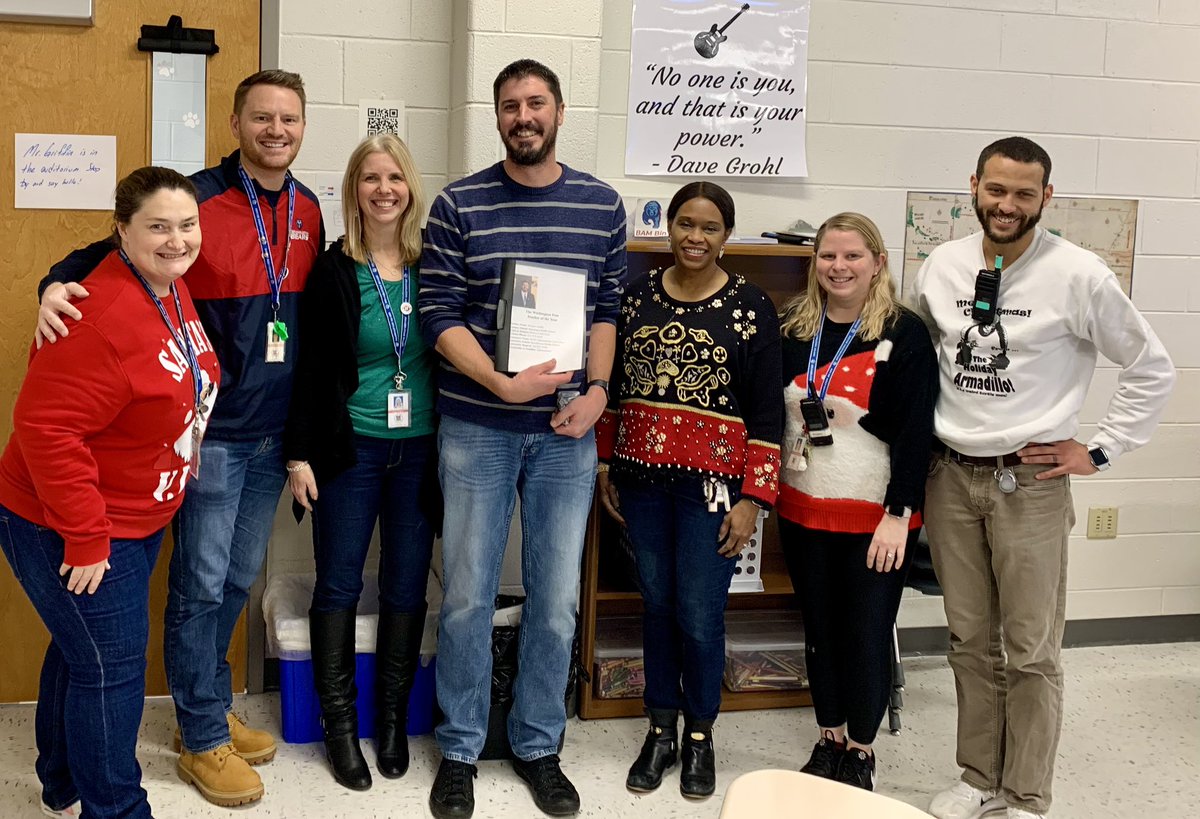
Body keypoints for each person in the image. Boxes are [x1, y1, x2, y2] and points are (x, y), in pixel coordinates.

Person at [35, 70, 323, 807]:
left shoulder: (309, 207)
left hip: (270, 436)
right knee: (198, 586)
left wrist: (299, 442)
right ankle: (200, 736)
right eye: (262, 117)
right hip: (212, 437)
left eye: (288, 118)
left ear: (301, 124)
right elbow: (102, 257)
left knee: (232, 581)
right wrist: (53, 285)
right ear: (235, 123)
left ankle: (204, 702)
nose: (276, 130)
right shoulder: (192, 202)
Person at [913, 137, 1175, 819]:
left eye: (1024, 194)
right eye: (996, 190)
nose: (1008, 205)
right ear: (974, 186)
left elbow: (1152, 367)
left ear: (1046, 197)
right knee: (970, 641)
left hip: (1027, 485)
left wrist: (1100, 450)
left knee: (1030, 650)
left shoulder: (1079, 274)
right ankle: (977, 776)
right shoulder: (941, 264)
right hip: (951, 476)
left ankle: (1026, 795)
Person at [418, 58, 626, 819]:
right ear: (498, 118)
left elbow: (606, 308)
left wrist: (598, 394)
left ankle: (539, 742)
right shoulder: (458, 203)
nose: (522, 115)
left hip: (567, 433)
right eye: (510, 106)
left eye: (536, 103)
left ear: (560, 112)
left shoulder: (602, 205)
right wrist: (500, 384)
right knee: (468, 596)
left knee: (557, 599)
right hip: (478, 426)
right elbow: (436, 314)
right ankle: (463, 746)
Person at [0, 167, 220, 818]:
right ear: (121, 230)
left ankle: (61, 782)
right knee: (112, 668)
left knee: (84, 650)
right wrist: (88, 536)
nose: (177, 239)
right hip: (73, 523)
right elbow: (44, 429)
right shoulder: (96, 314)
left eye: (187, 224)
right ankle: (116, 808)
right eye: (158, 226)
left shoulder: (167, 289)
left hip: (135, 514)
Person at [595, 181, 783, 801]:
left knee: (700, 615)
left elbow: (765, 414)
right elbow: (614, 390)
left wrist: (754, 499)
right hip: (642, 484)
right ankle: (660, 730)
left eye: (708, 227)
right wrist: (605, 468)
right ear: (668, 227)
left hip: (714, 494)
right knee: (656, 606)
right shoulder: (636, 296)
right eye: (684, 223)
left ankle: (700, 735)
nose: (694, 237)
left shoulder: (752, 307)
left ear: (726, 235)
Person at [283, 134, 439, 791]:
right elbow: (308, 368)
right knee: (339, 584)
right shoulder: (333, 269)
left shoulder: (435, 263)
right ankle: (342, 727)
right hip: (349, 449)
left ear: (410, 186)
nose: (384, 188)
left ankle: (394, 722)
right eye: (370, 177)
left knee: (407, 584)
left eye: (395, 176)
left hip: (420, 449)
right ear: (353, 191)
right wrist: (298, 453)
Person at [775, 212, 938, 791]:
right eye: (827, 256)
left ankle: (862, 751)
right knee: (818, 629)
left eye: (851, 257)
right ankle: (829, 738)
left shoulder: (904, 334)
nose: (838, 268)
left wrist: (899, 517)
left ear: (878, 263)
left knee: (866, 632)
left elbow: (917, 433)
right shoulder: (795, 327)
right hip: (804, 507)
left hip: (875, 517)